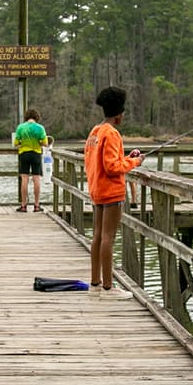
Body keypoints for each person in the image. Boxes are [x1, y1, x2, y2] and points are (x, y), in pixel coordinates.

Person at [84, 86, 145, 300]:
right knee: (108, 237)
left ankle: (95, 284)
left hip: (97, 189)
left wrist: (126, 158)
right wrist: (134, 161)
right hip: (111, 192)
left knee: (98, 236)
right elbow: (111, 167)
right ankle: (109, 288)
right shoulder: (111, 133)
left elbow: (100, 162)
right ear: (118, 113)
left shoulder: (95, 132)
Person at [13, 109, 48, 212]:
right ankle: (36, 205)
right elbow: (45, 143)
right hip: (36, 154)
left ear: (26, 117)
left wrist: (23, 143)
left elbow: (16, 143)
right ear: (37, 117)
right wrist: (38, 143)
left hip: (24, 154)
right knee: (36, 179)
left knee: (24, 179)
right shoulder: (40, 128)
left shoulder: (21, 127)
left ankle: (23, 205)